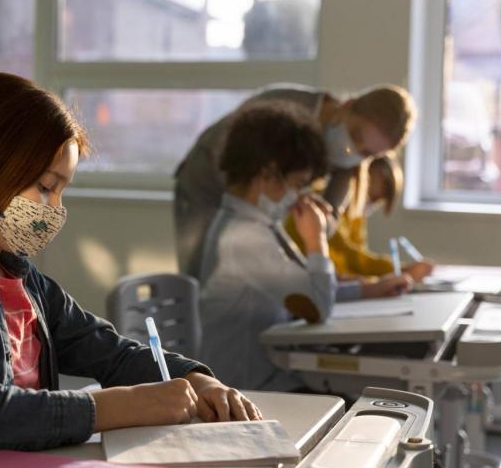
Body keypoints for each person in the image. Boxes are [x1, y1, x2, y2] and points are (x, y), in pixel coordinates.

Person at [0, 72, 261, 468]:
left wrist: (195, 378)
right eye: (46, 187)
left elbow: (111, 352)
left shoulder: (26, 282)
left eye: (61, 191)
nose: (55, 210)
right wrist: (116, 405)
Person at [197, 101, 412, 392]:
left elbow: (305, 288)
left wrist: (369, 289)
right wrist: (316, 239)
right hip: (249, 388)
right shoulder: (243, 238)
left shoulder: (260, 225)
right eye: (298, 184)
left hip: (271, 376)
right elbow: (317, 305)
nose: (298, 196)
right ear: (269, 174)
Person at [174, 83, 417, 279]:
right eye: (355, 136)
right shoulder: (284, 109)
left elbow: (327, 219)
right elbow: (231, 160)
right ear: (348, 106)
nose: (353, 151)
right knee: (201, 277)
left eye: (367, 154)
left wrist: (318, 227)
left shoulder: (348, 162)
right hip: (205, 185)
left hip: (251, 207)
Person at [286, 155, 434, 281]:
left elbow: (357, 258)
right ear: (377, 174)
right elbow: (351, 255)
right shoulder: (321, 203)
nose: (374, 203)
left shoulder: (356, 213)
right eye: (377, 197)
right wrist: (402, 270)